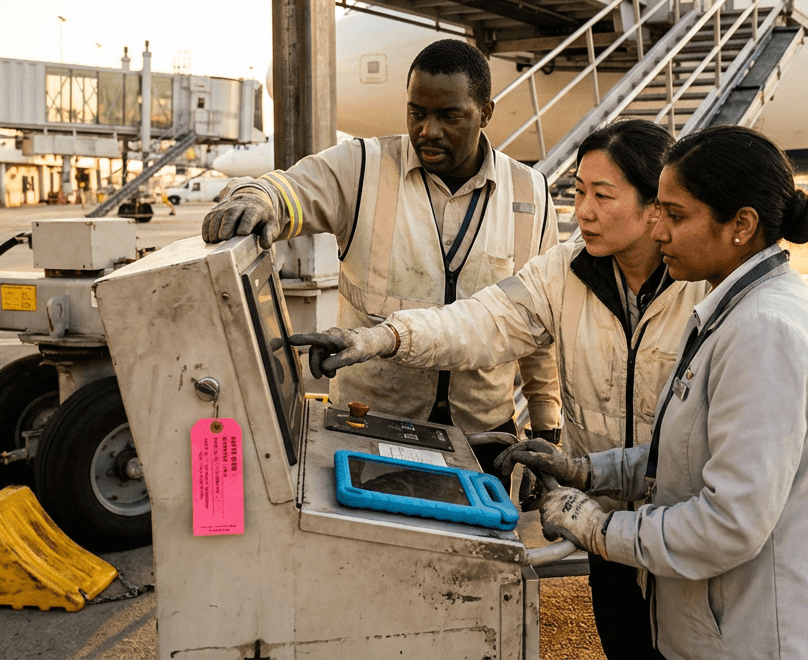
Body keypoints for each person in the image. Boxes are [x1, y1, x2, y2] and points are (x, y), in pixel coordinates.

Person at [292, 119, 708, 660]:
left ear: (657, 205)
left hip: (687, 532)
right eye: (579, 192)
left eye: (603, 196)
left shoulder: (704, 285)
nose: (583, 211)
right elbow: (479, 320)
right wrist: (379, 338)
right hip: (604, 522)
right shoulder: (567, 271)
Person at [500, 125, 808, 659]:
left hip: (759, 638)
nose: (658, 231)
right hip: (718, 628)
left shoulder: (765, 333)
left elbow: (728, 524)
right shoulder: (729, 308)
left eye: (675, 215)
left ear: (741, 225)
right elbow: (691, 453)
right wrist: (591, 472)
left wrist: (599, 527)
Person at [201, 39, 561, 471]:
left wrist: (545, 425)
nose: (428, 130)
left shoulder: (531, 194)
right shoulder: (364, 167)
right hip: (370, 425)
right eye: (416, 113)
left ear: (485, 113)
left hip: (483, 435)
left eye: (449, 116)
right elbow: (291, 187)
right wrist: (256, 196)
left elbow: (536, 325)